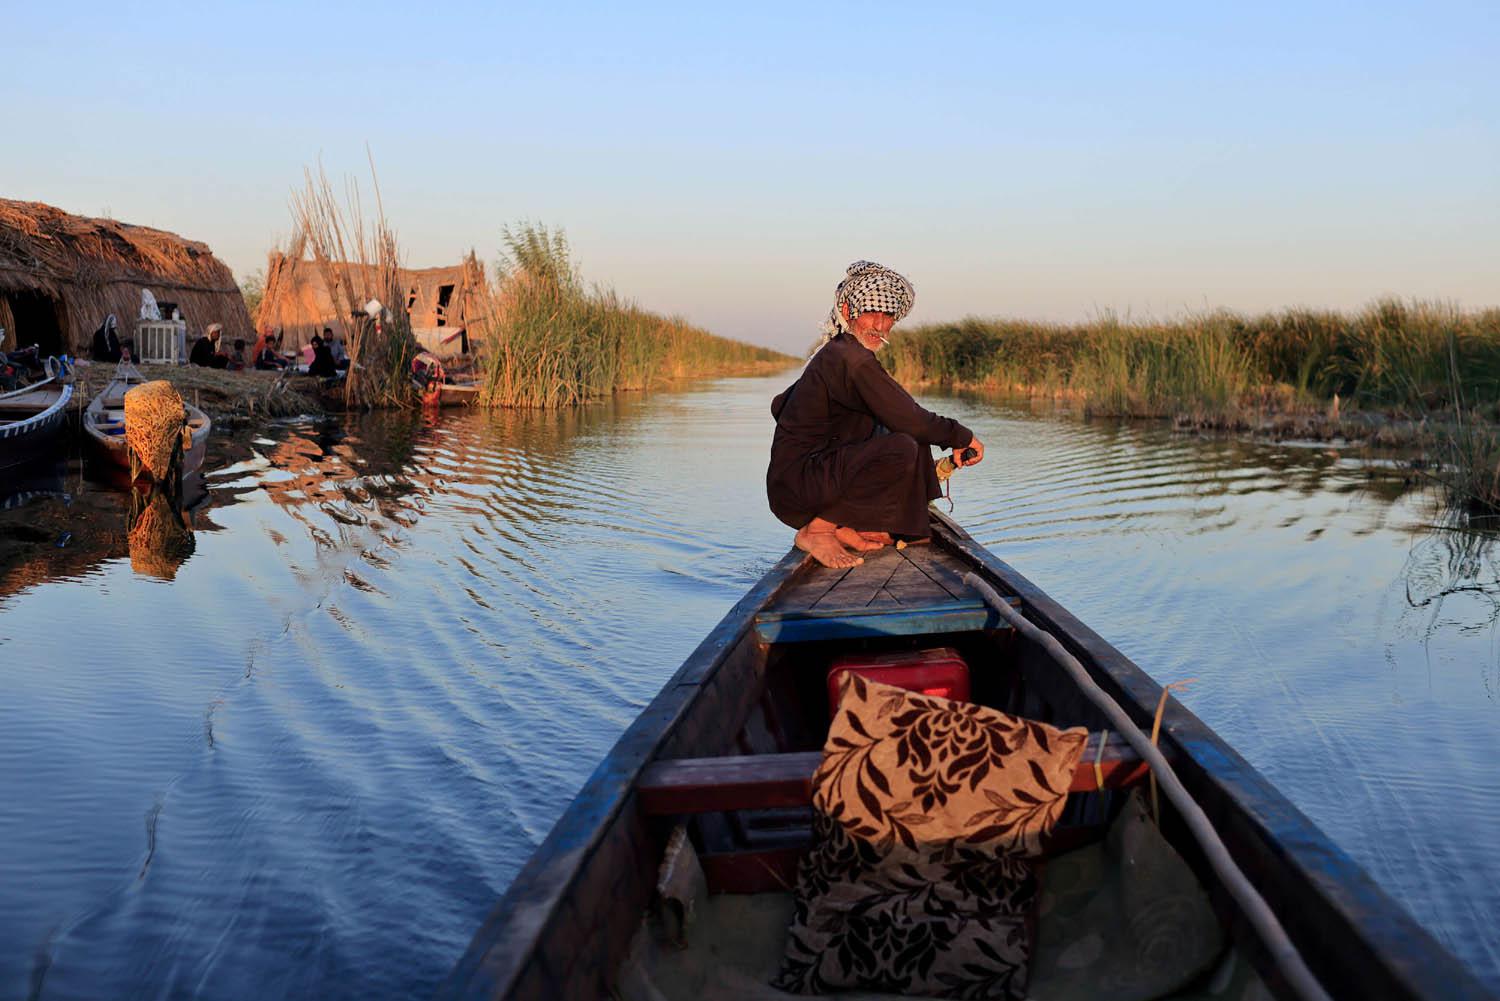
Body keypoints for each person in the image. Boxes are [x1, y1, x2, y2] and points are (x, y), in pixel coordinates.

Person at [766, 261, 984, 569]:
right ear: (848, 309)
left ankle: (847, 525)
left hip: (806, 483)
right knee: (903, 442)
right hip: (798, 489)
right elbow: (912, 420)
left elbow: (903, 412)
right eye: (872, 313)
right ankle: (817, 530)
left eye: (888, 316)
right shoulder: (849, 359)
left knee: (902, 429)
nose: (880, 326)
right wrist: (962, 436)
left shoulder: (842, 353)